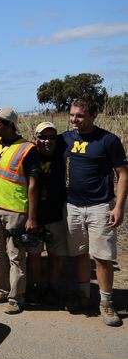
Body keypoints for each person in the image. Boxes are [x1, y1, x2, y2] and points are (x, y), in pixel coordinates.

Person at [61, 98, 127, 327]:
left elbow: (123, 174)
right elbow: (40, 146)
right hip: (72, 207)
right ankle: (83, 296)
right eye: (71, 115)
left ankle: (106, 303)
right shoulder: (66, 139)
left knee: (103, 257)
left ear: (93, 115)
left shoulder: (108, 140)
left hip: (100, 207)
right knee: (79, 253)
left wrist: (118, 207)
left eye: (79, 115)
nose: (74, 119)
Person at [0, 107, 39, 314]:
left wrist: (31, 217)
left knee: (15, 255)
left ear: (10, 125)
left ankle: (16, 298)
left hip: (15, 210)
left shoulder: (27, 149)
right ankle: (2, 290)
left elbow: (33, 184)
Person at [26, 122, 67, 305]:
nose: (47, 141)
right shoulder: (29, 154)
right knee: (34, 253)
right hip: (34, 215)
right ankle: (35, 286)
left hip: (56, 213)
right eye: (42, 137)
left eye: (52, 137)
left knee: (54, 253)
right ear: (35, 139)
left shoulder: (61, 151)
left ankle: (52, 287)